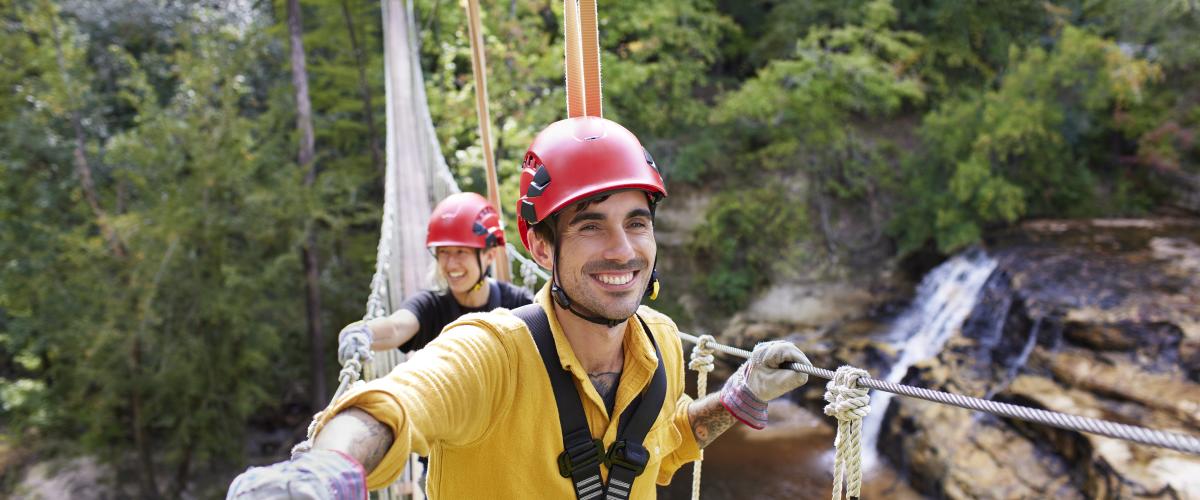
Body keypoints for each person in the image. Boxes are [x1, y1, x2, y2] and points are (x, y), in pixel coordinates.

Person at [229, 117, 812, 499]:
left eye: (638, 223)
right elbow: (396, 406)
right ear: (539, 246)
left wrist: (740, 398)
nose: (624, 250)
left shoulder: (658, 341)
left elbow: (667, 443)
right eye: (591, 226)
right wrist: (329, 470)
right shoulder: (491, 350)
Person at [336, 192, 534, 366]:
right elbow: (397, 327)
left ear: (489, 256)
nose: (450, 264)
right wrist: (364, 332)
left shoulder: (516, 305)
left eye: (461, 252)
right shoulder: (431, 307)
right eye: (444, 252)